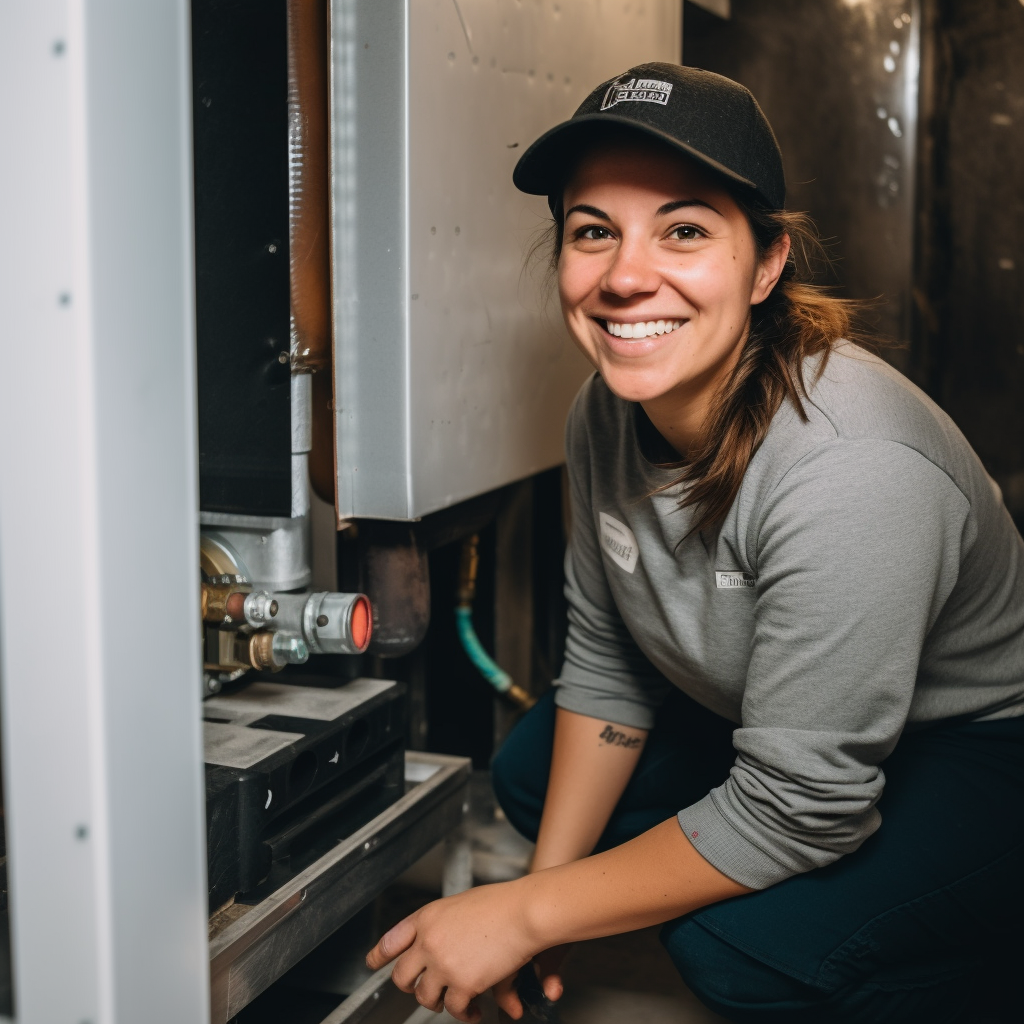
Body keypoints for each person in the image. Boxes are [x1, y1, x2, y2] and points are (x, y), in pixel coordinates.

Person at [367, 63, 1024, 1023]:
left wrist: (524, 912)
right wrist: (539, 909)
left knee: (736, 951)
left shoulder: (851, 468)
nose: (628, 276)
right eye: (594, 232)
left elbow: (802, 803)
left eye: (684, 230)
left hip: (975, 748)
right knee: (531, 772)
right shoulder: (606, 410)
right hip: (774, 714)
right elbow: (606, 665)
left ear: (766, 264)